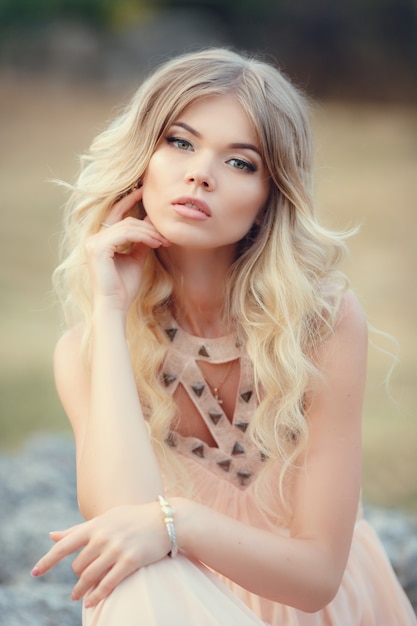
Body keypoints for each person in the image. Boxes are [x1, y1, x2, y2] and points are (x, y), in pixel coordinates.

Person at [31, 48, 416, 625]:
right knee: (135, 583)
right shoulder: (86, 353)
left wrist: (176, 522)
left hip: (318, 615)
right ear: (142, 162)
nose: (199, 173)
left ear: (268, 197)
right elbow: (120, 520)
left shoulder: (322, 323)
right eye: (180, 143)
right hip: (175, 607)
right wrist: (110, 312)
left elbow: (316, 578)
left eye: (241, 162)